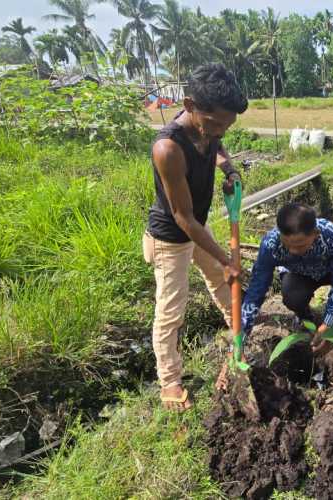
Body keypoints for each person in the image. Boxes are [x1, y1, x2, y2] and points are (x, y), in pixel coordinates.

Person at [142, 63, 248, 412]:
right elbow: (182, 217)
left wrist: (228, 169)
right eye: (215, 123)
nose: (220, 130)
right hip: (171, 237)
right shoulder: (168, 149)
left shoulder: (210, 128)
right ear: (189, 105)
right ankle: (169, 382)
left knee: (221, 281)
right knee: (171, 312)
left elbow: (216, 145)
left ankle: (239, 332)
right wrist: (225, 257)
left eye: (227, 125)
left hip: (197, 229)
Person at [241, 203, 333, 347]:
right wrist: (241, 334)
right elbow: (256, 288)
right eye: (287, 244)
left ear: (315, 233)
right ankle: (305, 317)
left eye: (300, 245)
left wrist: (327, 323)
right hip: (299, 275)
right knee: (292, 295)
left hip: (329, 271)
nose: (293, 251)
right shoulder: (270, 244)